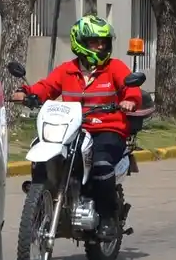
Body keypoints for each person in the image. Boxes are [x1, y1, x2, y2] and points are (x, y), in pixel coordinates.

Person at [12, 15, 142, 241]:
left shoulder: (115, 68)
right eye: (94, 42)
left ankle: (108, 217)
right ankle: (42, 194)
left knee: (101, 164)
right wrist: (29, 94)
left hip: (107, 129)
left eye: (103, 42)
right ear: (79, 42)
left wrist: (129, 99)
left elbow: (131, 88)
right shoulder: (67, 70)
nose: (100, 47)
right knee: (43, 149)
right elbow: (47, 86)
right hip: (73, 128)